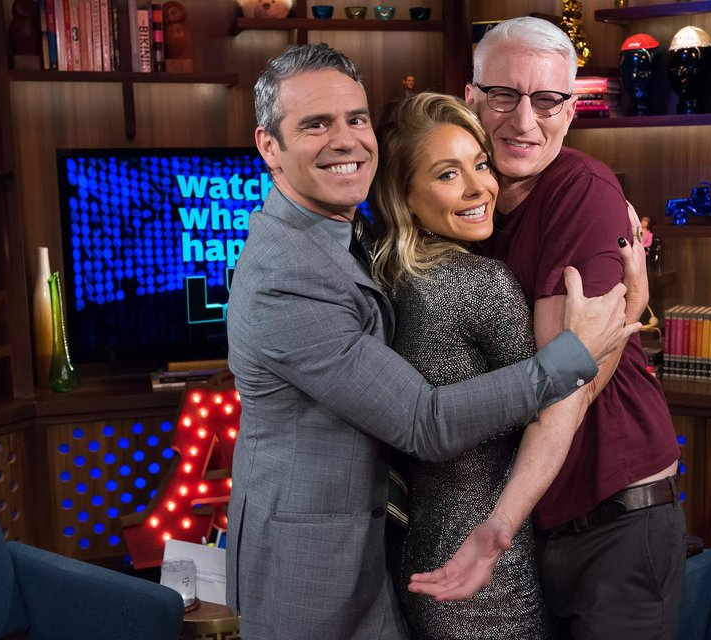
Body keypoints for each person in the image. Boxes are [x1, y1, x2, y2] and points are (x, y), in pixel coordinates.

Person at [225, 42, 639, 640]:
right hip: (311, 567)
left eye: (356, 119)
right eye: (316, 124)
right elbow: (425, 421)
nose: (345, 140)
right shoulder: (286, 276)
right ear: (270, 146)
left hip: (394, 555)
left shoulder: (358, 244)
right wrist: (598, 336)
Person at [410, 17, 686, 640]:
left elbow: (568, 387)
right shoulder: (474, 207)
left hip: (614, 523)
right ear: (471, 96)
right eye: (504, 95)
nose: (524, 120)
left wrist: (498, 526)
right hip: (539, 526)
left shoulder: (582, 192)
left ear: (571, 110)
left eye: (547, 100)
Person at [370, 93, 643, 639]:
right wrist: (632, 304)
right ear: (405, 197)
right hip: (486, 575)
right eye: (448, 174)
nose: (479, 187)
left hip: (422, 555)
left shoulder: (394, 281)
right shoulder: (481, 283)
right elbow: (561, 396)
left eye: (480, 164)